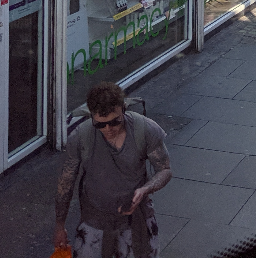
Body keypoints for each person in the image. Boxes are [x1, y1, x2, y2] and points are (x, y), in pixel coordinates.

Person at [54, 82, 172, 258]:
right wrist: (59, 225)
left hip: (137, 220)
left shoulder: (145, 129)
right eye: (100, 124)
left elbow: (165, 170)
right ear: (91, 116)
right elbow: (66, 183)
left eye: (114, 121)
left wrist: (146, 189)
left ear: (123, 109)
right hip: (95, 221)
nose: (108, 129)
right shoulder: (80, 136)